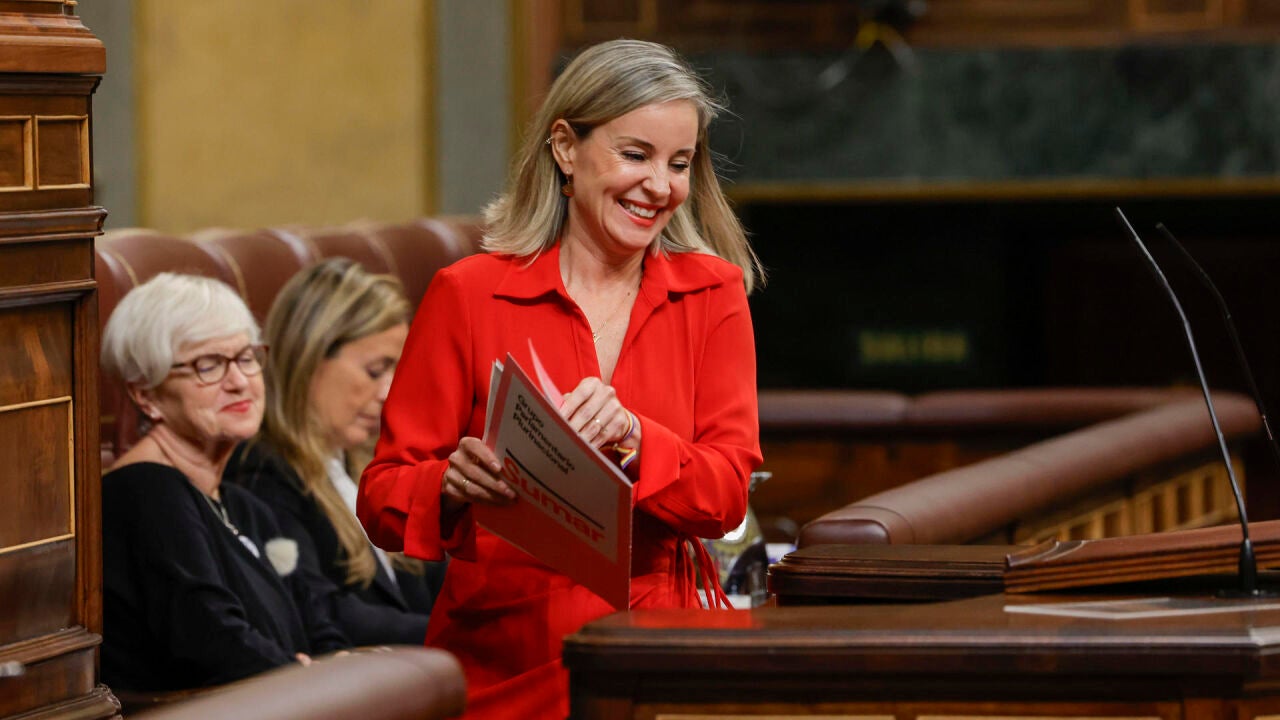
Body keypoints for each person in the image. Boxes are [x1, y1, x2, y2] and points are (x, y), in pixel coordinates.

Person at [357, 38, 764, 718]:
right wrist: (449, 485)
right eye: (635, 155)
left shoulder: (711, 292)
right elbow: (382, 496)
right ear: (566, 148)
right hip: (503, 651)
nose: (660, 186)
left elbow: (726, 498)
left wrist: (635, 438)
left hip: (658, 649)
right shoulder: (467, 292)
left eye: (679, 163)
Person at [100, 273, 349, 692]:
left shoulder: (245, 505)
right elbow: (212, 641)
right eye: (209, 365)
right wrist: (310, 680)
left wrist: (339, 669)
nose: (239, 381)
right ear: (146, 395)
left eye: (246, 357)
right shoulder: (144, 492)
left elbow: (317, 618)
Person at [226, 258, 444, 646]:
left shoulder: (367, 460)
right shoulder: (261, 474)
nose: (390, 392)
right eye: (376, 370)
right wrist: (457, 637)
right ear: (310, 357)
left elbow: (431, 575)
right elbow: (323, 614)